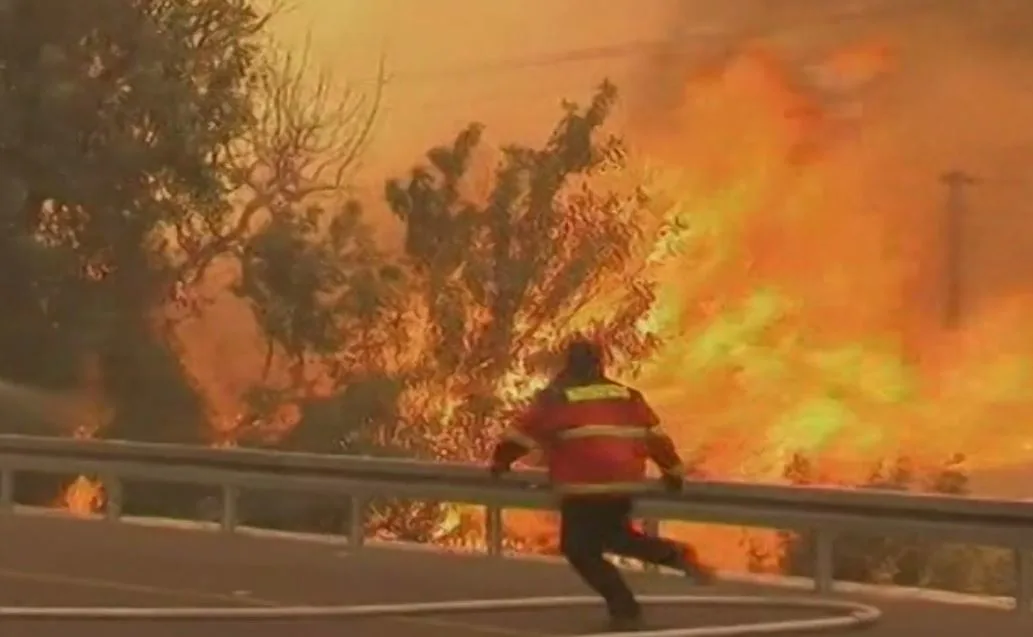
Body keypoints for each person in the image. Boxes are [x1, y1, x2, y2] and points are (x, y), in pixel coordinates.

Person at [489, 338, 715, 631]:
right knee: (616, 538)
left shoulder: (557, 398)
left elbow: (520, 437)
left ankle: (626, 609)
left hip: (583, 485)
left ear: (569, 364)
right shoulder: (627, 396)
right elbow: (656, 439)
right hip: (624, 482)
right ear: (600, 364)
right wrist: (672, 472)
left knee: (579, 550)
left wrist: (500, 462)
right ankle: (674, 557)